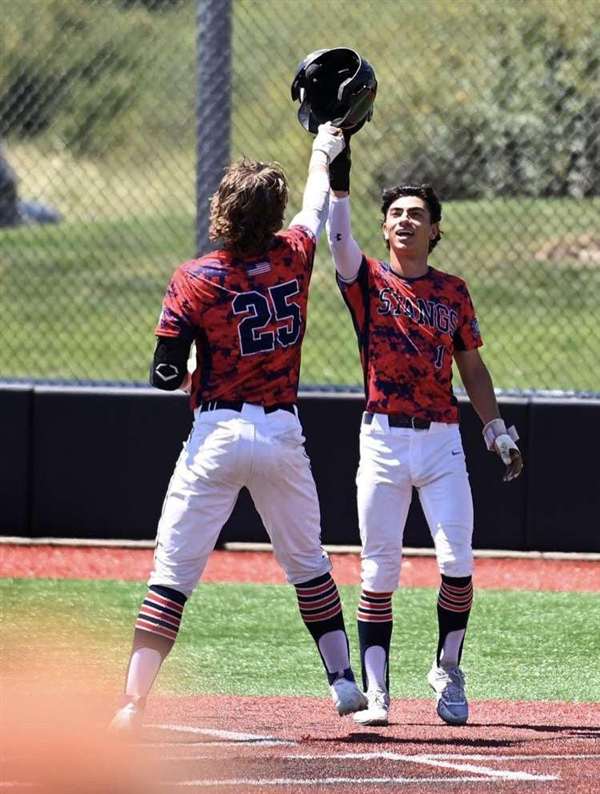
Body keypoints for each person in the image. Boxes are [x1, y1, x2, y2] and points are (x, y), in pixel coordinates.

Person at [109, 124, 368, 737]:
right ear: (269, 215)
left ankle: (132, 703)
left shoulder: (195, 276)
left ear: (221, 210)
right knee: (307, 562)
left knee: (173, 573)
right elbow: (314, 207)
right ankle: (342, 682)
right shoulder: (293, 256)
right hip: (281, 432)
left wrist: (200, 365)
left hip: (218, 431)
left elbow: (165, 374)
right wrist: (322, 150)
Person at [325, 143, 523, 727]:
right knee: (378, 570)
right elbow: (337, 242)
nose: (406, 220)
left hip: (441, 441)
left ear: (435, 229)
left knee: (458, 561)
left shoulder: (453, 291)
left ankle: (447, 668)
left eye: (417, 214)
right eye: (396, 213)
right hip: (383, 438)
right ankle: (378, 690)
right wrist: (340, 179)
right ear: (383, 227)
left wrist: (496, 429)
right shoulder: (366, 282)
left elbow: (473, 367)